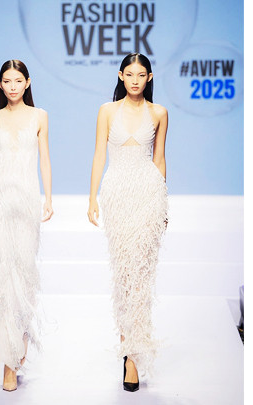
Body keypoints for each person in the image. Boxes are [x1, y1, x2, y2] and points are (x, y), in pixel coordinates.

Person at [0, 59, 53, 392]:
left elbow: (44, 158)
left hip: (27, 202)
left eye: (18, 80)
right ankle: (8, 362)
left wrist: (49, 198)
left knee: (24, 274)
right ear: (0, 84)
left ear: (27, 83)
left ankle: (19, 343)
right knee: (1, 277)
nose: (13, 86)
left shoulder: (40, 116)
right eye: (7, 81)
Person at [87, 53, 168, 392]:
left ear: (149, 78)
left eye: (141, 75)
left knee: (141, 274)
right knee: (125, 273)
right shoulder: (107, 111)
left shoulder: (159, 113)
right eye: (130, 74)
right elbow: (99, 155)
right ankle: (128, 348)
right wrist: (92, 197)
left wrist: (163, 204)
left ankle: (134, 356)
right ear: (121, 76)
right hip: (117, 193)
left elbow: (159, 159)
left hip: (148, 193)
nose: (135, 80)